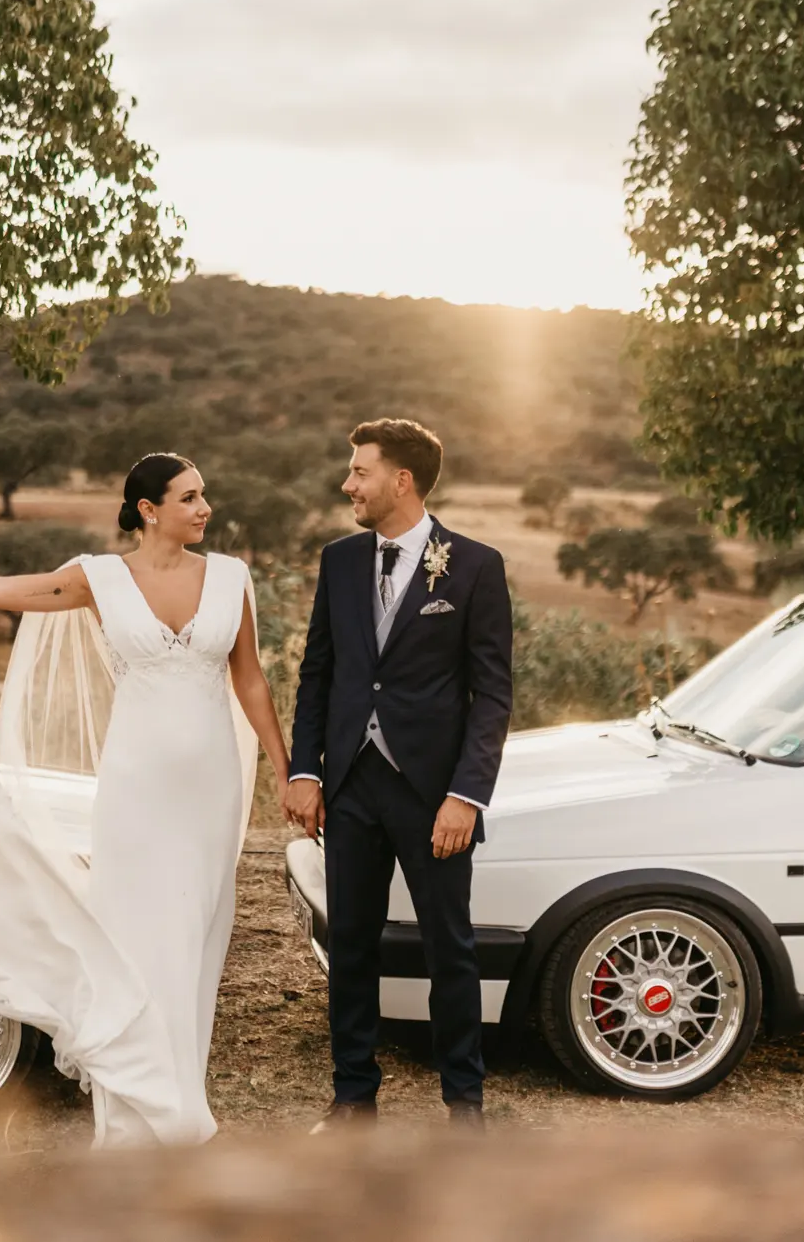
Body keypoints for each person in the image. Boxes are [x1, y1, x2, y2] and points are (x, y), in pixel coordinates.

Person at [0, 453, 289, 1143]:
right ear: (149, 509)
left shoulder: (231, 578)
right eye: (190, 496)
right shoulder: (98, 578)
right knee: (133, 940)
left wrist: (285, 769)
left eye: (205, 495)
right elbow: (0, 589)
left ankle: (181, 1092)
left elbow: (249, 681)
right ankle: (139, 1109)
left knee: (192, 939)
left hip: (210, 790)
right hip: (135, 792)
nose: (206, 507)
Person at [284, 419, 513, 1130]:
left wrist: (466, 795)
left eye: (360, 471)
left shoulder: (474, 565)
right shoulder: (341, 561)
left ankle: (464, 1104)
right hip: (351, 783)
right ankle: (353, 1096)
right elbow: (318, 673)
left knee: (452, 948)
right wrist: (304, 770)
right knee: (351, 943)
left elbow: (493, 693)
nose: (347, 484)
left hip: (434, 792)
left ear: (401, 480)